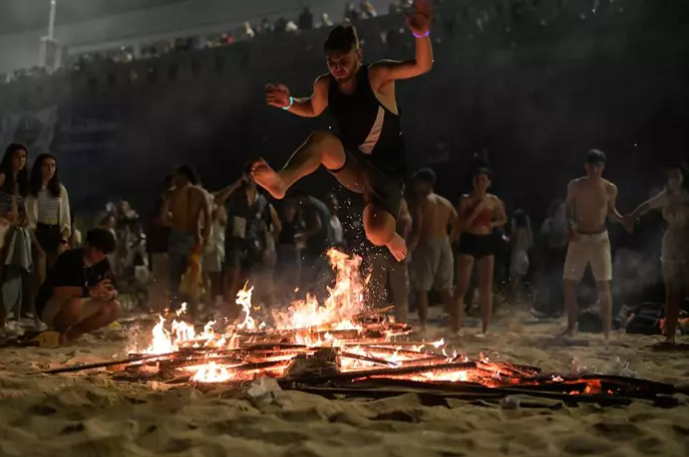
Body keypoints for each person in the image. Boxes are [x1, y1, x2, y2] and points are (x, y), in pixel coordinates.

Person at [253, 0, 433, 263]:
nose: (337, 67)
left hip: (387, 173)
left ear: (358, 56)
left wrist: (421, 34)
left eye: (343, 60)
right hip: (355, 167)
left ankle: (388, 234)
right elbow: (312, 109)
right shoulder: (325, 86)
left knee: (376, 232)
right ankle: (281, 182)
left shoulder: (377, 76)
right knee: (321, 140)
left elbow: (421, 65)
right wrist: (288, 103)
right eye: (331, 61)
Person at [562, 149, 626, 340]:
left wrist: (624, 220)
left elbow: (611, 211)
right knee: (568, 283)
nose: (594, 169)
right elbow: (568, 207)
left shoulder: (610, 188)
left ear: (603, 167)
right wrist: (569, 227)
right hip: (579, 237)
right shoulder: (575, 185)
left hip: (599, 239)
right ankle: (571, 326)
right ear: (586, 166)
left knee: (603, 284)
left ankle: (607, 332)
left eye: (598, 165)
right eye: (591, 165)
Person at [625, 164, 689, 345]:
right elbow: (647, 206)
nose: (673, 180)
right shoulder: (665, 196)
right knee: (672, 292)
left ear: (682, 177)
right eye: (670, 177)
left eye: (676, 176)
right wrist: (632, 217)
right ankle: (669, 337)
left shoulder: (687, 195)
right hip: (672, 244)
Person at [35, 228, 119, 343]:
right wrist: (89, 291)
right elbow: (56, 291)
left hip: (80, 305)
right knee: (75, 304)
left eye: (105, 253)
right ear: (88, 245)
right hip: (52, 307)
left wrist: (109, 294)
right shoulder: (69, 259)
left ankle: (71, 335)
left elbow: (112, 288)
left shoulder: (102, 264)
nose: (101, 256)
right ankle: (58, 333)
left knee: (114, 307)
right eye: (98, 251)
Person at [452, 168, 507, 335]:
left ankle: (485, 327)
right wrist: (474, 214)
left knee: (485, 287)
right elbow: (459, 224)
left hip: (486, 241)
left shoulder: (494, 201)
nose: (480, 182)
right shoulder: (465, 200)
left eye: (483, 179)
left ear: (489, 183)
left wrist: (493, 225)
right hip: (469, 240)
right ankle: (457, 325)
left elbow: (503, 218)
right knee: (462, 285)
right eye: (477, 179)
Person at [215, 170, 275, 309]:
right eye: (250, 175)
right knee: (232, 276)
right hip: (235, 239)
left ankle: (244, 312)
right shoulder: (236, 194)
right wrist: (236, 184)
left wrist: (265, 247)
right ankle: (227, 309)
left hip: (252, 241)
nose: (252, 179)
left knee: (249, 278)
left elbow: (263, 226)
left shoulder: (261, 199)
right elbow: (217, 200)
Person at [408, 168, 456, 332]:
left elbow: (418, 230)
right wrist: (450, 239)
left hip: (427, 243)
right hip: (444, 242)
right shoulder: (445, 202)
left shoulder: (422, 203)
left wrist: (408, 248)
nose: (414, 187)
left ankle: (423, 326)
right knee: (445, 287)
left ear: (425, 184)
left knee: (422, 287)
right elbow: (457, 223)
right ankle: (457, 324)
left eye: (417, 183)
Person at [26, 153, 72, 319]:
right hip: (39, 233)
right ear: (39, 167)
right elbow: (30, 220)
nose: (50, 169)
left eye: (53, 165)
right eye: (46, 165)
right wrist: (37, 245)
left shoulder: (59, 190)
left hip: (55, 233)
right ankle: (36, 314)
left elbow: (66, 216)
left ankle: (51, 314)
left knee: (56, 278)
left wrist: (64, 239)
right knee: (39, 279)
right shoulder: (33, 190)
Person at [161, 165, 211, 313]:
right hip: (193, 238)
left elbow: (163, 218)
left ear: (184, 176)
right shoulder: (200, 193)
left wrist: (174, 222)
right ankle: (192, 314)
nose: (174, 179)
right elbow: (208, 217)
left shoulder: (172, 194)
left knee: (176, 279)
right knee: (193, 279)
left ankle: (175, 311)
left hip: (180, 237)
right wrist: (205, 238)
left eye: (176, 176)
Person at [367, 196, 412, 323]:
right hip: (378, 251)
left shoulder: (395, 198)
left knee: (397, 292)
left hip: (392, 252)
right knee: (376, 291)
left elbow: (405, 221)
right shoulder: (379, 196)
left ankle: (400, 323)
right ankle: (377, 322)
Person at [0, 143, 30, 328]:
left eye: (24, 157)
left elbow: (21, 207)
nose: (21, 160)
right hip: (0, 225)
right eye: (17, 156)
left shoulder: (22, 184)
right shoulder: (2, 177)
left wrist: (23, 215)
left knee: (12, 271)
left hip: (14, 227)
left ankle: (7, 312)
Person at [288, 190, 333, 300]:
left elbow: (317, 225)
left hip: (317, 250)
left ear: (300, 198)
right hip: (326, 248)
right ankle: (320, 305)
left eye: (293, 203)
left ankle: (312, 303)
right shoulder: (318, 205)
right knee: (321, 280)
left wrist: (304, 236)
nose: (294, 206)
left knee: (310, 280)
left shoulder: (310, 208)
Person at [146, 175, 173, 312]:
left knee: (166, 279)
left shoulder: (171, 204)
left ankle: (163, 306)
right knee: (160, 278)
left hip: (168, 247)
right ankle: (158, 307)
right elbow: (154, 224)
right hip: (159, 247)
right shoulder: (160, 204)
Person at [508, 208, 533, 301]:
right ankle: (520, 299)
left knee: (514, 279)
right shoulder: (528, 231)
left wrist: (505, 238)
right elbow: (530, 243)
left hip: (517, 255)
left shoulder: (517, 231)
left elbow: (512, 240)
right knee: (519, 279)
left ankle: (516, 299)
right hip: (524, 255)